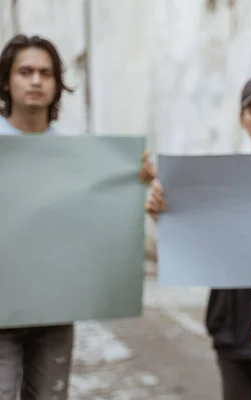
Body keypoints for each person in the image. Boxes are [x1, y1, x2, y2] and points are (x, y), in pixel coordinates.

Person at [0, 34, 153, 400]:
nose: (36, 80)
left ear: (56, 85)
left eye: (45, 73)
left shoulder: (77, 153)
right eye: (25, 71)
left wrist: (134, 181)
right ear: (6, 80)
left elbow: (96, 217)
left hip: (56, 307)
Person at [145, 74, 251, 400]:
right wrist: (164, 212)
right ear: (242, 120)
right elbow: (193, 241)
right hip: (235, 333)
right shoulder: (214, 184)